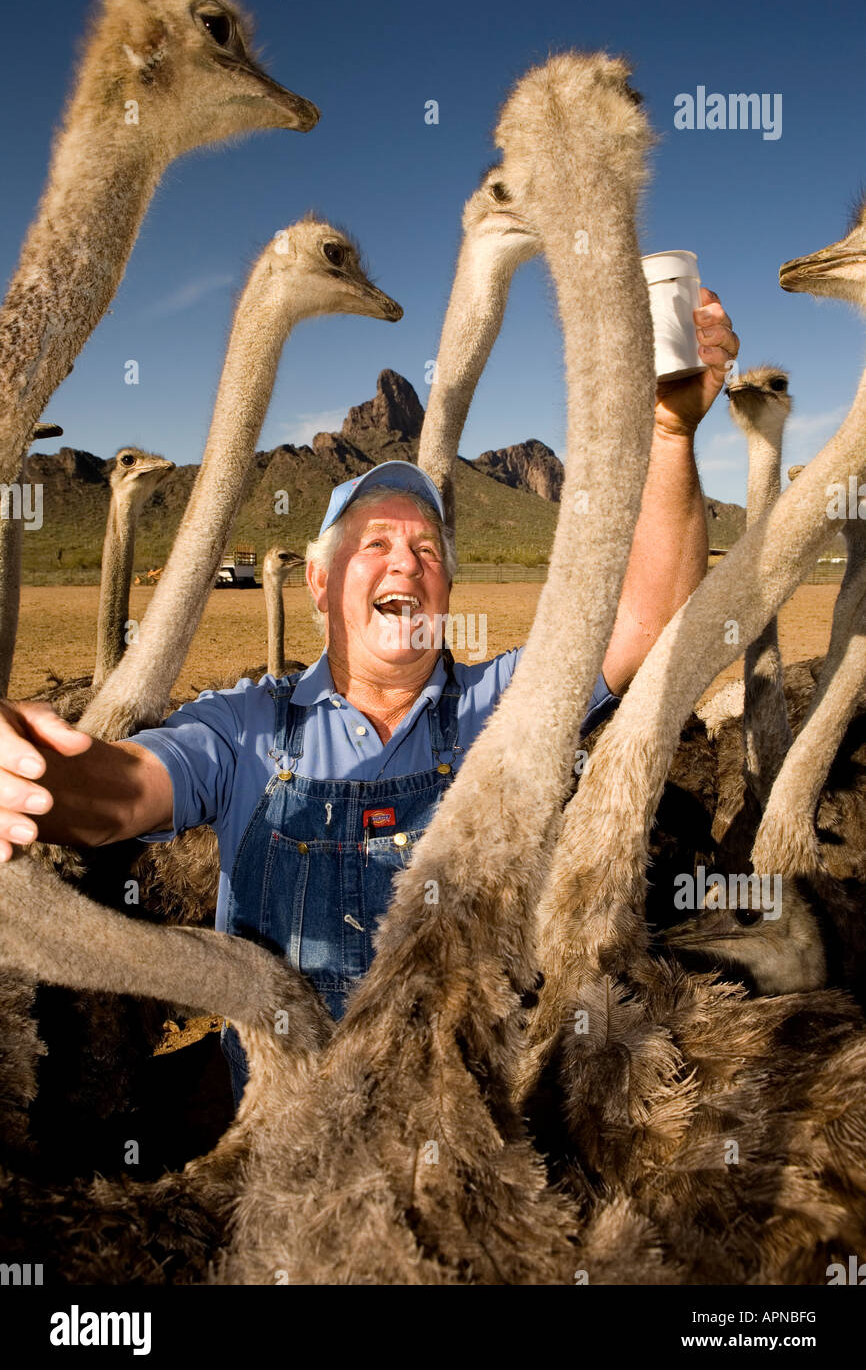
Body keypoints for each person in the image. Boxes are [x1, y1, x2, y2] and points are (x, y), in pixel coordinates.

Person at [0, 290, 738, 1103]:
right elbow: (114, 796)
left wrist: (670, 434)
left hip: (468, 1121)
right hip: (286, 1129)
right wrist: (30, 777)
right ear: (320, 582)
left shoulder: (503, 709)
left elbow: (648, 620)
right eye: (374, 543)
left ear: (449, 586)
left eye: (427, 549)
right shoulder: (246, 727)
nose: (405, 562)